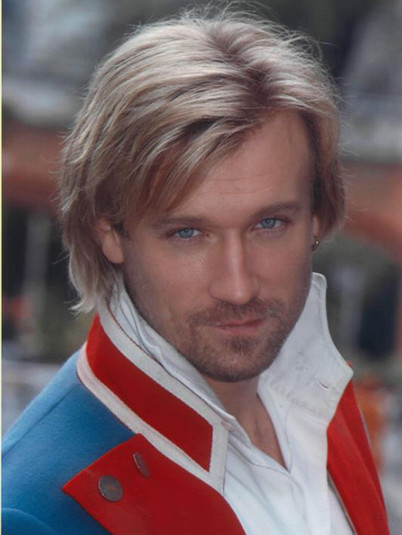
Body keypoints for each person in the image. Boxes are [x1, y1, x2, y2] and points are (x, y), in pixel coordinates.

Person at [2, 9, 389, 535]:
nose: (238, 286)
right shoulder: (34, 512)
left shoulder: (321, 395)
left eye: (269, 224)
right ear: (109, 232)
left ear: (318, 215)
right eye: (187, 233)